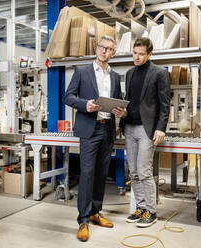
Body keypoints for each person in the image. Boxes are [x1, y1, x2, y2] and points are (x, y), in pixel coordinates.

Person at [64, 35, 126, 241]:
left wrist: (119, 112)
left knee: (101, 173)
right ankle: (83, 220)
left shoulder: (115, 76)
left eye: (109, 49)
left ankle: (96, 212)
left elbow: (117, 101)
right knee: (88, 173)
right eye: (101, 47)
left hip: (107, 130)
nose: (104, 52)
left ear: (113, 53)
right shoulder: (82, 71)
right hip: (89, 130)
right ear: (96, 48)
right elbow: (68, 97)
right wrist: (85, 105)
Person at [118, 37, 171, 227]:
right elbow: (130, 101)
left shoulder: (159, 73)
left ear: (150, 54)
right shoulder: (130, 73)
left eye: (141, 54)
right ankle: (140, 208)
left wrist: (161, 128)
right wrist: (121, 117)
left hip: (146, 129)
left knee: (144, 171)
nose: (137, 57)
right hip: (129, 128)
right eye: (134, 53)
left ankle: (152, 211)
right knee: (132, 172)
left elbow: (165, 104)